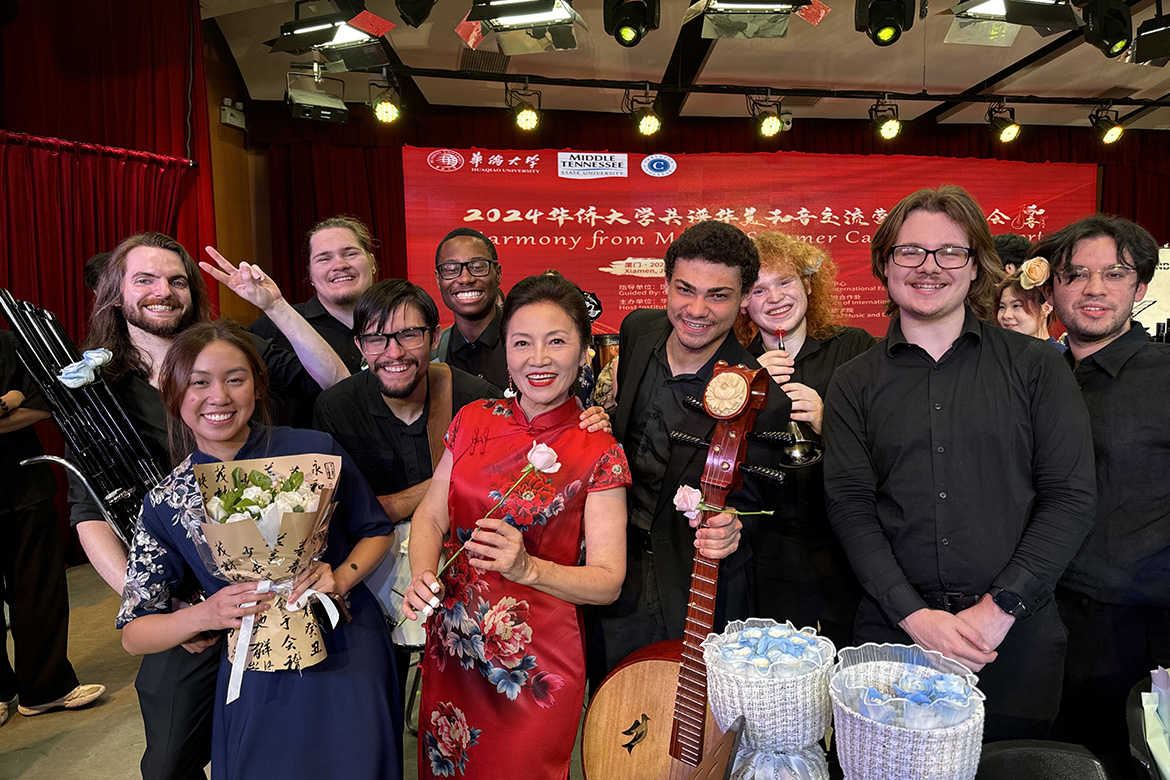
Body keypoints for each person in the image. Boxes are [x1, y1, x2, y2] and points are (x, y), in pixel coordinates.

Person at [70, 231, 349, 780]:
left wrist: (275, 307)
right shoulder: (99, 392)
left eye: (176, 280)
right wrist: (164, 607)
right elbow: (89, 517)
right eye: (144, 279)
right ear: (116, 293)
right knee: (171, 760)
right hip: (182, 600)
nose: (163, 291)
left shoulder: (233, 348)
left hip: (277, 589)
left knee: (284, 745)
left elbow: (335, 383)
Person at [823, 185, 1096, 741]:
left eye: (951, 252)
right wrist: (915, 618)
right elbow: (850, 507)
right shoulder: (853, 382)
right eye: (910, 252)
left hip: (1012, 638)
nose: (930, 267)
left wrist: (997, 610)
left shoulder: (1036, 366)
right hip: (892, 635)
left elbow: (1070, 497)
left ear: (976, 268)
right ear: (885, 263)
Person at [117, 320, 400, 780]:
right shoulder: (167, 501)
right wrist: (204, 615)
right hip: (255, 666)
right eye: (198, 382)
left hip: (347, 644)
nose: (219, 397)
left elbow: (375, 530)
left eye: (235, 379)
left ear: (257, 384)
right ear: (173, 393)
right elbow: (134, 632)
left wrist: (341, 576)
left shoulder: (313, 451)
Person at [403, 274, 630, 779]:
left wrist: (528, 567)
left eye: (557, 341)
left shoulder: (600, 451)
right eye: (522, 342)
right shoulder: (473, 419)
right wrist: (422, 574)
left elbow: (609, 581)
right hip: (454, 649)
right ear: (505, 352)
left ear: (584, 350)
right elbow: (432, 514)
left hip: (534, 666)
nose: (539, 359)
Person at [591, 220, 791, 681]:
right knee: (606, 708)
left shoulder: (765, 400)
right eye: (684, 289)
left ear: (744, 300)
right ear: (666, 284)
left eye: (718, 295)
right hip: (615, 571)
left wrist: (735, 528)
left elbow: (756, 512)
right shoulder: (639, 332)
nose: (696, 309)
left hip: (692, 588)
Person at [1040, 215, 1170, 764]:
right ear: (1051, 289)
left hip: (1133, 634)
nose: (1094, 290)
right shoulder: (1035, 376)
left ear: (1140, 288)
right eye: (1076, 275)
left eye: (1113, 274)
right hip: (1036, 620)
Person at [734, 231, 875, 648]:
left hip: (843, 541)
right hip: (767, 546)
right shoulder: (737, 364)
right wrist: (747, 388)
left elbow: (890, 440)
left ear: (808, 285)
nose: (775, 297)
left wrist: (826, 419)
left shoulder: (854, 347)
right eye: (759, 289)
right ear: (744, 303)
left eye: (786, 282)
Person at [0, 330, 104, 725]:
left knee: (40, 593)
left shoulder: (11, 342)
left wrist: (13, 403)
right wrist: (10, 401)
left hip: (26, 486)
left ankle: (46, 688)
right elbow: (23, 402)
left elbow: (45, 405)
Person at [248, 215, 373, 374]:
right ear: (310, 274)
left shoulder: (402, 321)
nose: (340, 265)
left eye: (350, 254)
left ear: (372, 263)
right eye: (324, 259)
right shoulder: (271, 328)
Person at [431, 228, 508, 389]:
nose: (465, 279)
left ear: (498, 274)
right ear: (438, 280)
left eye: (478, 266)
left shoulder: (528, 343)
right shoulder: (432, 353)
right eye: (451, 269)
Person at [994, 263, 1065, 351]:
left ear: (1046, 308)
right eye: (1002, 307)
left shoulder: (1060, 357)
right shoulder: (999, 355)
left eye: (1016, 306)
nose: (1006, 315)